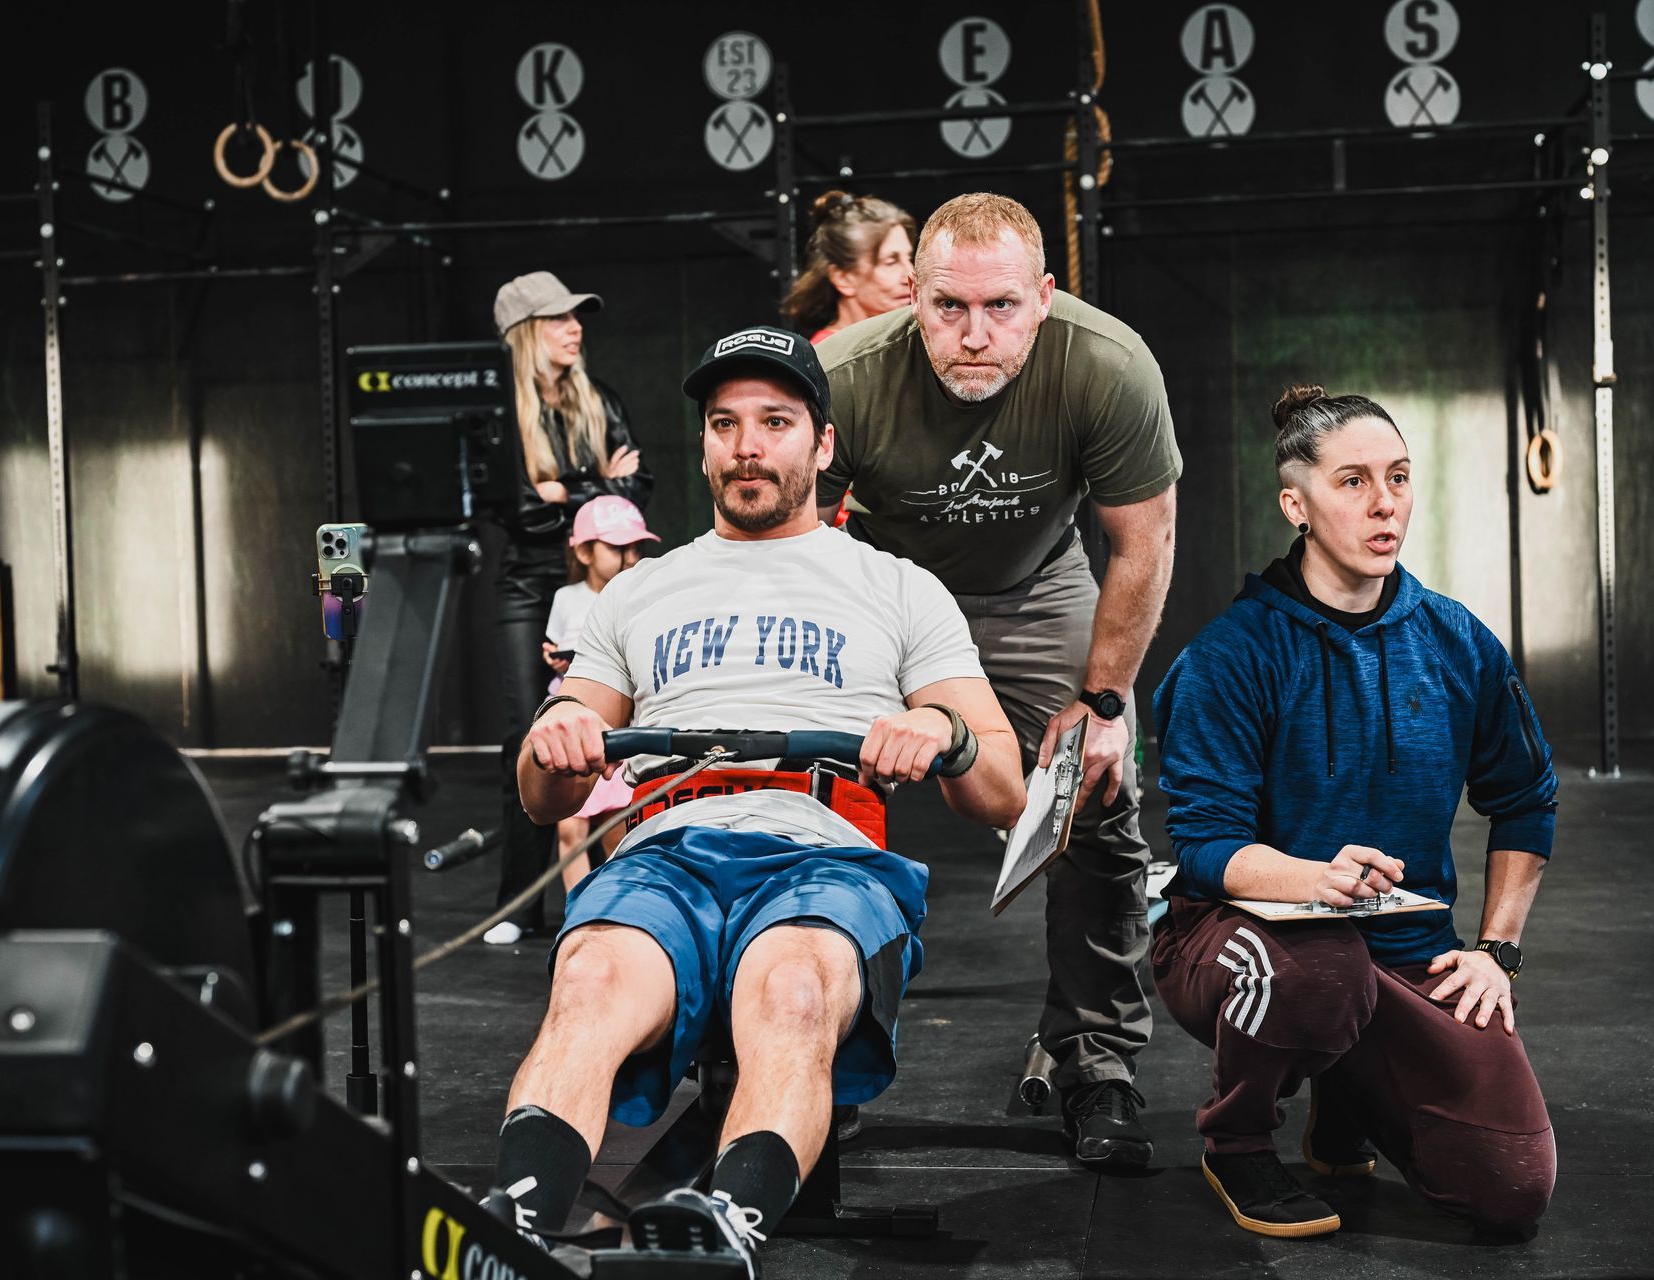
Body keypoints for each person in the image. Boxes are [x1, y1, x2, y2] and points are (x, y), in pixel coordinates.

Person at [483, 326, 1026, 1274]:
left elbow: (1004, 790)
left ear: (822, 443)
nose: (747, 445)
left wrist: (943, 732)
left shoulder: (898, 588)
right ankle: (512, 1228)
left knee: (792, 990)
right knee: (590, 979)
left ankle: (722, 1230)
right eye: (725, 423)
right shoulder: (638, 592)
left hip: (824, 856)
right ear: (702, 445)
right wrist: (556, 737)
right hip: (668, 853)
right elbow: (541, 796)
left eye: (775, 421)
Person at [814, 192, 1180, 1168]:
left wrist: (1103, 702)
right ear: (912, 297)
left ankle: (1096, 1059)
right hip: (883, 586)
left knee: (1096, 789)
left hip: (1035, 587)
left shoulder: (1107, 365)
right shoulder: (846, 377)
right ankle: (812, 1052)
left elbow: (1144, 542)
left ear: (1044, 298)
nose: (974, 336)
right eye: (948, 307)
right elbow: (793, 546)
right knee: (804, 784)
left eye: (1001, 307)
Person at [1151, 385, 1557, 1238]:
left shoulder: (1456, 640)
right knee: (1323, 972)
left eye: (1399, 477)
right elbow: (1205, 847)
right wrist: (1314, 878)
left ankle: (1346, 1098)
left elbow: (1526, 800)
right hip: (1241, 937)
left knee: (1510, 1190)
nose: (1384, 504)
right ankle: (1237, 1142)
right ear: (1295, 505)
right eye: (1353, 481)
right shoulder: (1230, 656)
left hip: (1407, 953)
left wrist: (1496, 952)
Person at [488, 271, 653, 947]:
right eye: (559, 318)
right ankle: (519, 906)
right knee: (526, 739)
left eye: (577, 316)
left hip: (603, 583)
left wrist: (564, 489)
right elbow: (518, 511)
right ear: (526, 332)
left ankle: (620, 890)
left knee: (613, 733)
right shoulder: (503, 411)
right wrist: (599, 485)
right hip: (529, 586)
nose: (575, 327)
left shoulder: (599, 398)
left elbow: (636, 492)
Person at [543, 494, 657, 891]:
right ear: (585, 552)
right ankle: (576, 911)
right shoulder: (566, 598)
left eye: (635, 548)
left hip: (620, 729)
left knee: (616, 829)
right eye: (617, 548)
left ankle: (617, 905)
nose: (629, 558)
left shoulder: (640, 597)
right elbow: (554, 643)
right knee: (570, 829)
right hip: (574, 721)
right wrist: (555, 660)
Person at [780, 191, 917, 346]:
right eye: (891, 262)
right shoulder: (825, 354)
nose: (910, 275)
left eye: (909, 258)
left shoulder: (901, 344)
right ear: (843, 278)